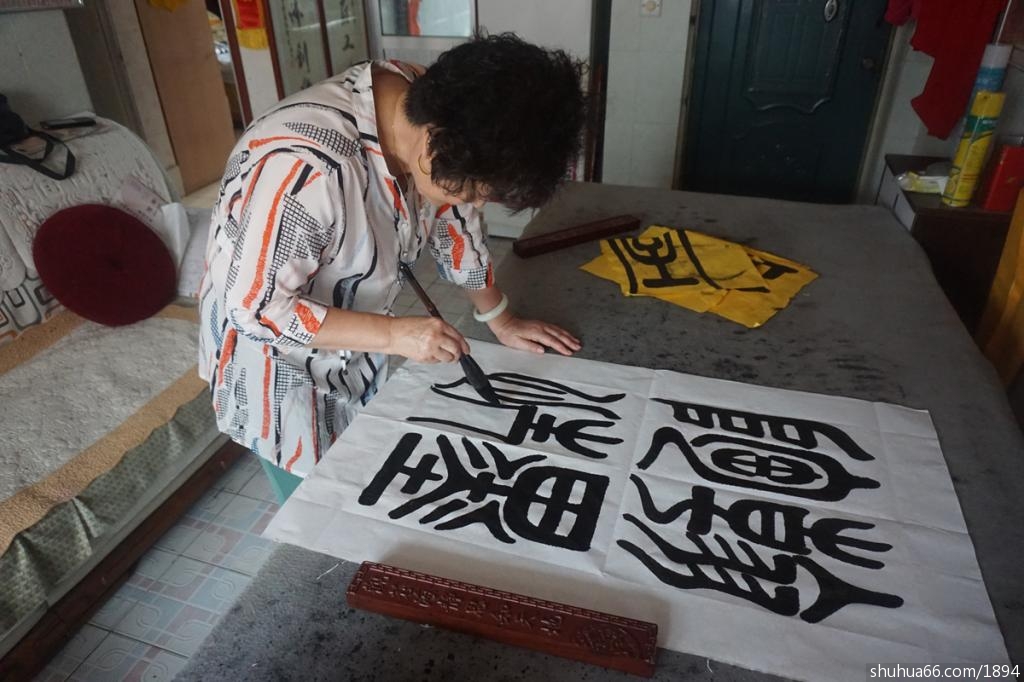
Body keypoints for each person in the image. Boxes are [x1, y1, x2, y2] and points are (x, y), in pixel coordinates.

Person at [197, 33, 587, 501]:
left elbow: (456, 223)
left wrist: (499, 318)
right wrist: (395, 336)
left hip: (351, 338)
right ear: (434, 145)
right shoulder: (306, 169)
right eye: (476, 191)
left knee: (356, 471)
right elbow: (257, 309)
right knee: (316, 501)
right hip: (276, 365)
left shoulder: (433, 104)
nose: (478, 204)